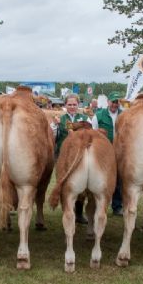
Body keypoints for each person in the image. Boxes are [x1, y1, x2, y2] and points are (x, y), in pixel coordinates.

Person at [51, 93, 93, 224]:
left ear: (78, 105)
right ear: (65, 105)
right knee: (64, 183)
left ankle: (79, 213)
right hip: (64, 156)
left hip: (81, 156)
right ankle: (67, 211)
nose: (72, 107)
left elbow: (92, 135)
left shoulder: (85, 118)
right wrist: (56, 126)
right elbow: (55, 138)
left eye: (74, 104)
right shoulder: (61, 119)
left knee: (81, 184)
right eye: (69, 104)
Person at [91, 92, 123, 216]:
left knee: (118, 179)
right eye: (113, 101)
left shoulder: (124, 115)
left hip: (120, 151)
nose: (115, 104)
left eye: (117, 102)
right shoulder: (98, 115)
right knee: (101, 177)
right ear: (108, 102)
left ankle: (117, 206)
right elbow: (93, 133)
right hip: (103, 151)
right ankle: (100, 203)